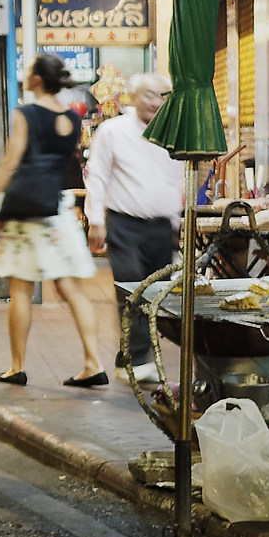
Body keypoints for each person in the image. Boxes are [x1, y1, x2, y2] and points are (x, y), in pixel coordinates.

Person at [0, 54, 108, 389]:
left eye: (28, 73)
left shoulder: (26, 113)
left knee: (21, 288)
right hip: (57, 213)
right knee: (72, 289)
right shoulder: (71, 117)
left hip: (27, 214)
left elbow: (12, 161)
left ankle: (16, 366)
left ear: (37, 80)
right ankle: (93, 363)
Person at [84, 73, 182, 374]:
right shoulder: (113, 131)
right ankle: (137, 360)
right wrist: (95, 219)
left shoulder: (173, 131)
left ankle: (131, 357)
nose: (155, 102)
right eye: (148, 95)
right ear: (134, 97)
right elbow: (97, 174)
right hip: (124, 224)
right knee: (131, 291)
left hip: (162, 227)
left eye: (161, 95)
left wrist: (178, 222)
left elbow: (175, 179)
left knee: (157, 296)